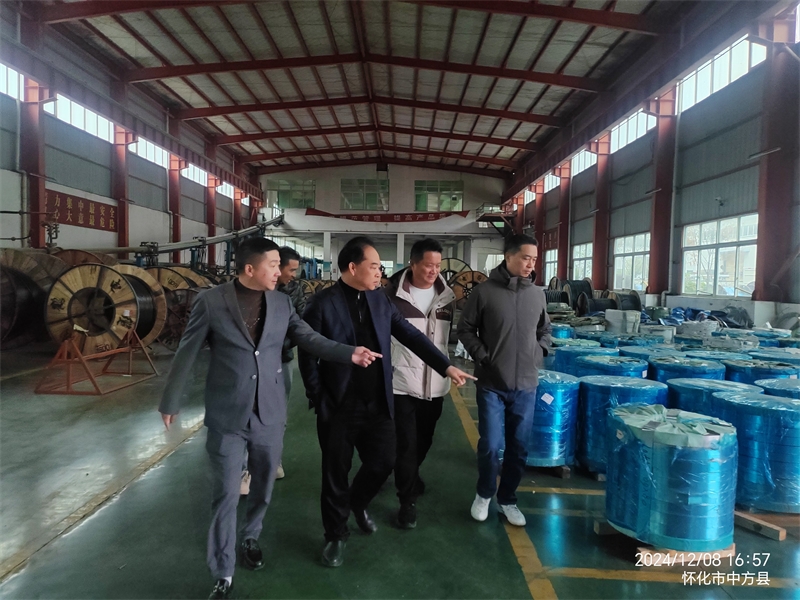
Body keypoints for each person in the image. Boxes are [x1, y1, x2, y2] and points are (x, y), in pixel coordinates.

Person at [158, 237, 380, 600]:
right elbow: (188, 350)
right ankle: (223, 571)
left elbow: (308, 338)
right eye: (274, 265)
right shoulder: (211, 302)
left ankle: (251, 535)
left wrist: (348, 353)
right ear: (250, 268)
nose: (281, 272)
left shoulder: (281, 303)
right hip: (228, 413)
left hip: (269, 412)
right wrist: (170, 400)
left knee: (262, 484)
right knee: (226, 493)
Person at [298, 236, 475, 568]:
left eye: (380, 267)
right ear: (353, 267)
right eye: (375, 266)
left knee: (384, 461)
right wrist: (318, 396)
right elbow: (307, 354)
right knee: (335, 472)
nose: (380, 272)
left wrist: (446, 366)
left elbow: (411, 335)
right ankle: (335, 535)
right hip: (339, 404)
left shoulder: (380, 300)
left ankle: (357, 502)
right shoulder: (322, 304)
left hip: (378, 401)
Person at [457, 234, 552, 528]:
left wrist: (539, 352)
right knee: (490, 444)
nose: (531, 264)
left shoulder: (537, 294)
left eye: (534, 259)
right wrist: (483, 356)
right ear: (508, 257)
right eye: (525, 258)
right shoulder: (484, 292)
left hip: (526, 386)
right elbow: (465, 328)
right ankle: (484, 493)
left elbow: (545, 330)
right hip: (492, 384)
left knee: (519, 447)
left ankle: (508, 499)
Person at [384, 238, 455, 529]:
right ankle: (407, 502)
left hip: (435, 385)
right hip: (401, 383)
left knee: (424, 441)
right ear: (412, 264)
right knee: (406, 444)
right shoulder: (391, 296)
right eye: (428, 265)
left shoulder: (447, 297)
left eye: (438, 265)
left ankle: (410, 474)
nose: (433, 271)